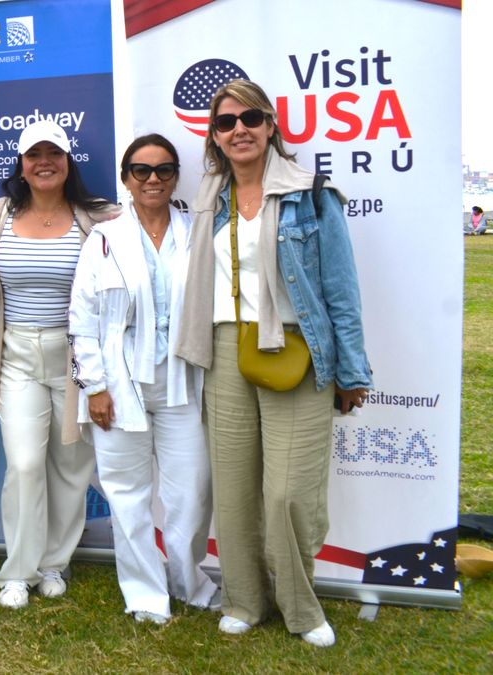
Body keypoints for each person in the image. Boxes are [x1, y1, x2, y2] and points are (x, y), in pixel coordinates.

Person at [174, 79, 372, 647]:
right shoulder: (213, 197)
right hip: (225, 351)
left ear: (271, 126)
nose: (239, 129)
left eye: (251, 118)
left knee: (288, 491)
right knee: (234, 488)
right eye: (226, 121)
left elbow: (340, 289)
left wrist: (352, 371)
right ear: (213, 135)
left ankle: (302, 609)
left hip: (297, 348)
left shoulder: (310, 193)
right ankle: (242, 597)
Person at [0, 120, 120, 609]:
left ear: (67, 160)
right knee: (25, 464)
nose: (44, 162)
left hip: (77, 359)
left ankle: (54, 563)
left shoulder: (97, 218)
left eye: (53, 153)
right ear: (21, 164)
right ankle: (18, 570)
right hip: (16, 357)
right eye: (33, 154)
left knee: (72, 468)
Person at [69, 134, 217, 625]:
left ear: (176, 176)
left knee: (190, 491)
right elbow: (82, 317)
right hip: (118, 386)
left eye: (164, 170)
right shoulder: (103, 239)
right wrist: (94, 387)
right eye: (141, 170)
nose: (152, 179)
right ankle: (145, 594)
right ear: (125, 179)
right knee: (127, 495)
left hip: (182, 384)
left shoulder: (197, 233)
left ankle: (188, 580)